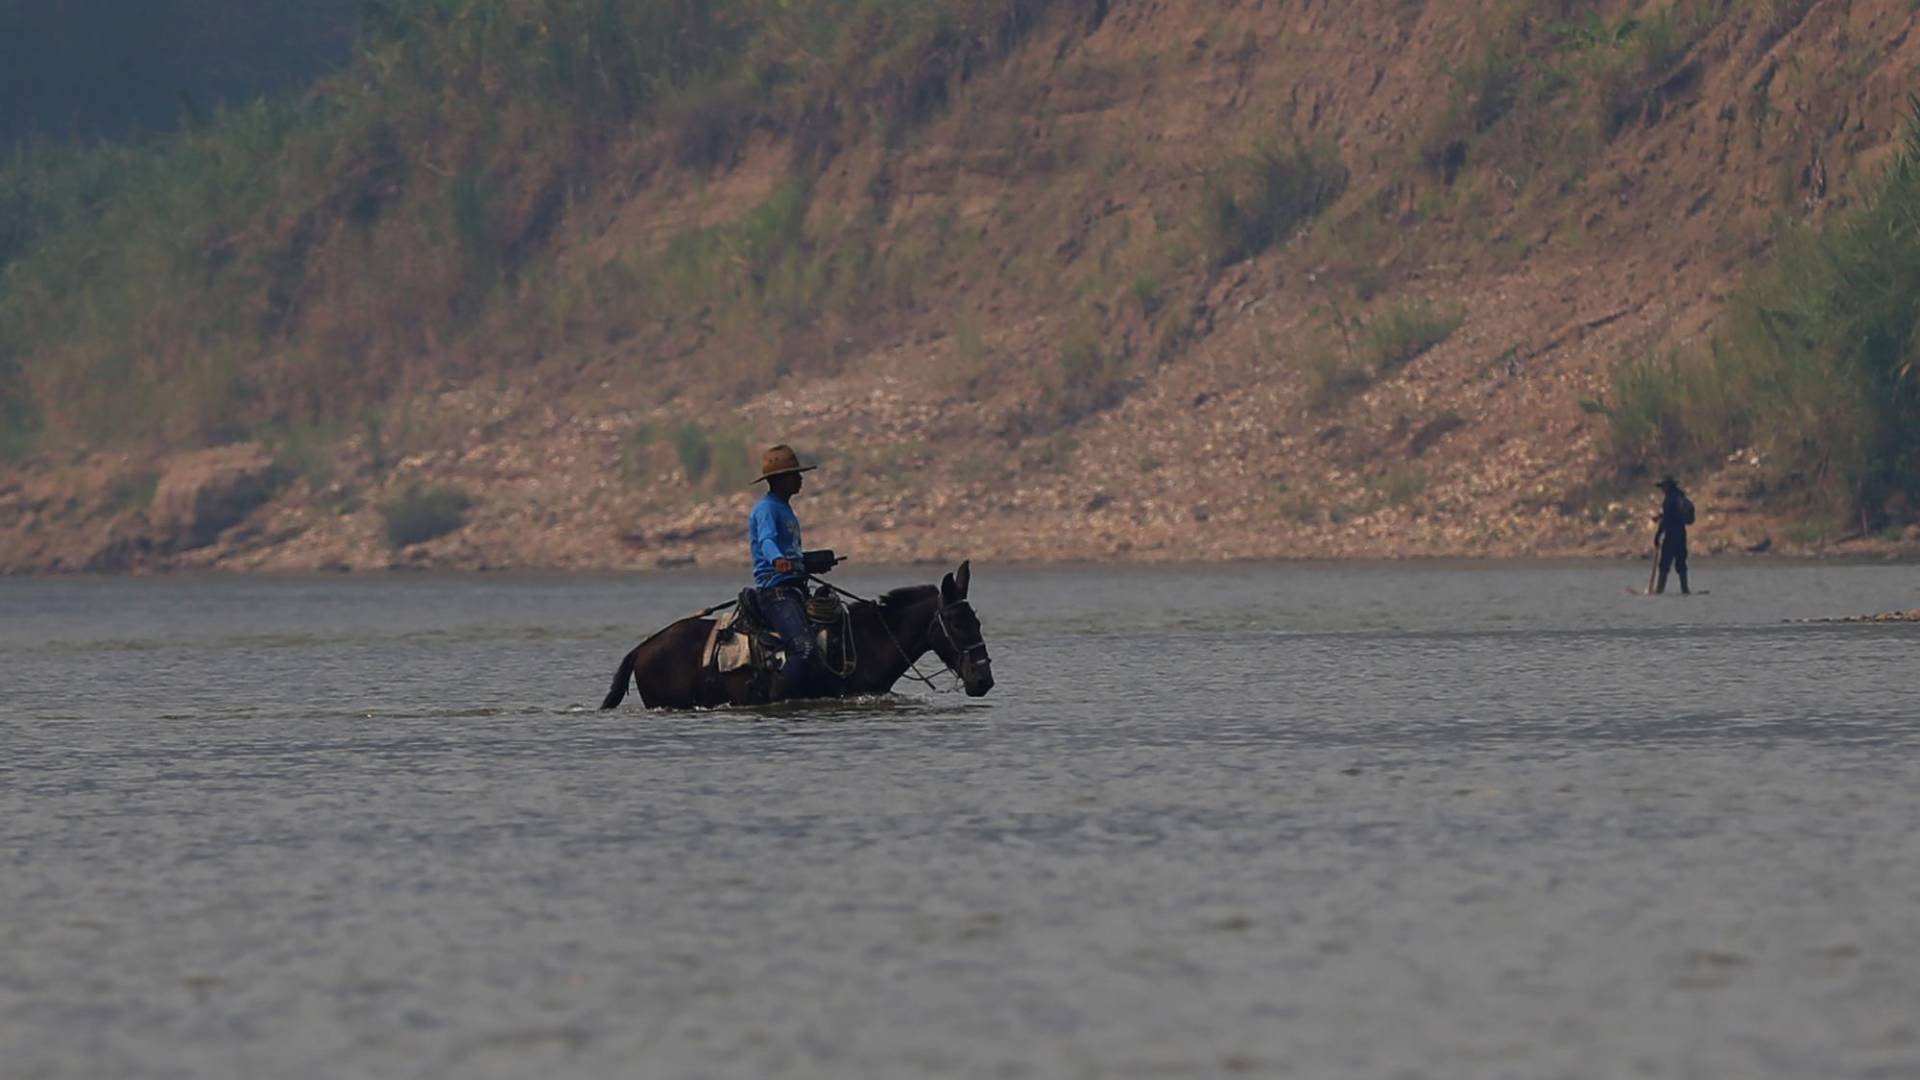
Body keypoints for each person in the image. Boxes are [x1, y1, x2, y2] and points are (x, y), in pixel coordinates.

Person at [748, 444, 820, 694]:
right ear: (779, 480)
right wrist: (777, 560)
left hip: (795, 588)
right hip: (776, 592)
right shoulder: (767, 509)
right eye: (795, 474)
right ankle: (777, 702)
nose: (800, 478)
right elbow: (767, 541)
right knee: (805, 648)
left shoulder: (784, 507)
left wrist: (811, 563)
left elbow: (790, 551)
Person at [1652, 476, 1693, 595]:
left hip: (1671, 535)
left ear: (1668, 487)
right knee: (1681, 563)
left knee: (1664, 564)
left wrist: (1658, 535)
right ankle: (1685, 590)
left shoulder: (1669, 500)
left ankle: (1659, 590)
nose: (1662, 490)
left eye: (1663, 487)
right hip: (1681, 535)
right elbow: (1672, 515)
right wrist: (1660, 517)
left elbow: (1667, 519)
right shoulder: (1680, 498)